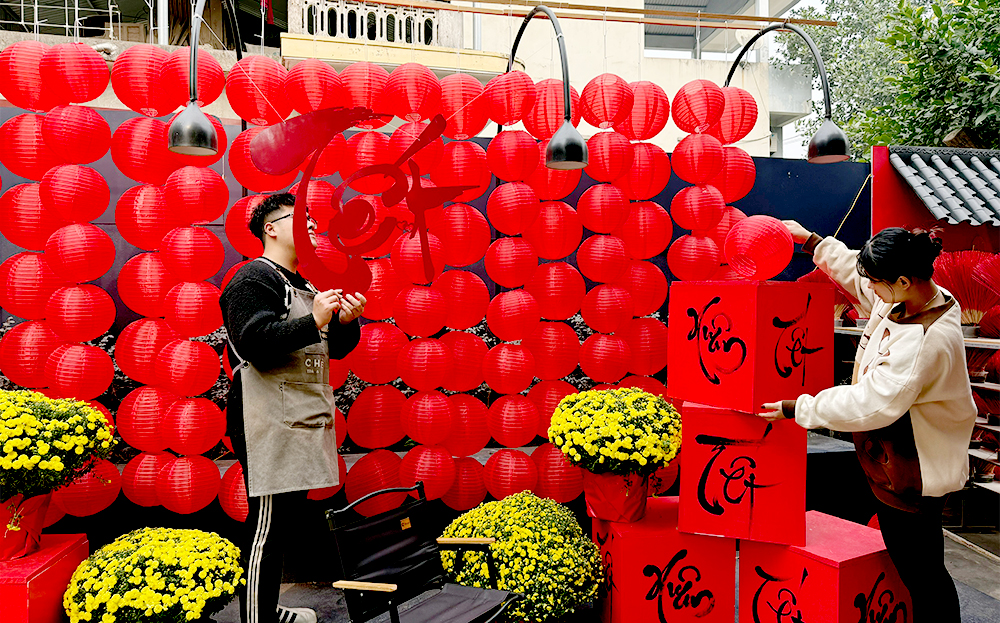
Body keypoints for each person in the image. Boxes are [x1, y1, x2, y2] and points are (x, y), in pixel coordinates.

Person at [758, 223, 977, 623]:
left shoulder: (925, 339)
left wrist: (799, 408)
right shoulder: (909, 297)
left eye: (877, 282)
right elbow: (858, 280)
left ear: (903, 280)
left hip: (914, 469)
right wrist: (813, 242)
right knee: (921, 564)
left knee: (923, 575)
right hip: (892, 457)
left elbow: (874, 401)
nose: (870, 291)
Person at [221, 193, 366, 623]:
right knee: (266, 527)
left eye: (313, 223)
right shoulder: (252, 279)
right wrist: (313, 320)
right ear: (271, 227)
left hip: (298, 415)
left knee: (280, 526)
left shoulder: (304, 285)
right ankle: (258, 619)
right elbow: (254, 343)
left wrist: (343, 322)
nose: (313, 229)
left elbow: (333, 350)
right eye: (302, 220)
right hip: (266, 417)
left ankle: (266, 608)